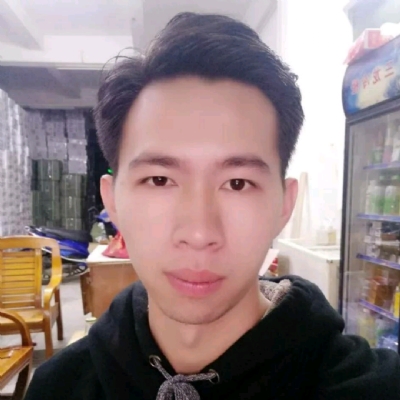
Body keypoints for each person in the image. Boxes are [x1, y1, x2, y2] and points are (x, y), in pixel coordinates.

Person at [25, 12, 400, 400]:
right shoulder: (58, 387)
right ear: (113, 200)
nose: (199, 233)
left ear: (284, 205)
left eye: (237, 183)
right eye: (160, 180)